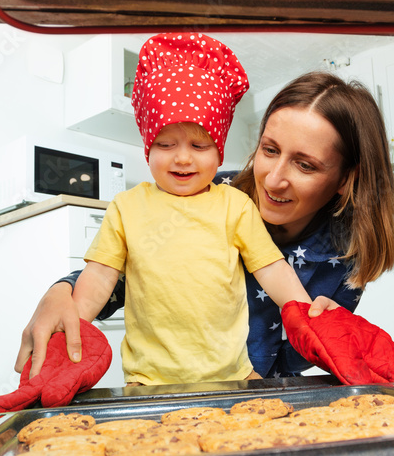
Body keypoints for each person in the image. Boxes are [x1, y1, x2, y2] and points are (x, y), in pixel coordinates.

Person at [16, 68, 394, 380]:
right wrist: (62, 292)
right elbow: (126, 272)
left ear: (346, 179)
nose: (273, 178)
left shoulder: (346, 258)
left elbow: (298, 355)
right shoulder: (206, 191)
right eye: (268, 151)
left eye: (305, 165)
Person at [71, 32, 320, 386]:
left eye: (199, 144)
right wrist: (72, 330)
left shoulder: (234, 204)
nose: (183, 157)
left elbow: (273, 271)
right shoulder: (126, 207)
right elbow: (98, 277)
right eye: (166, 143)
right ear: (147, 147)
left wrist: (312, 319)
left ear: (219, 150)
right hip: (148, 380)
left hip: (232, 375)